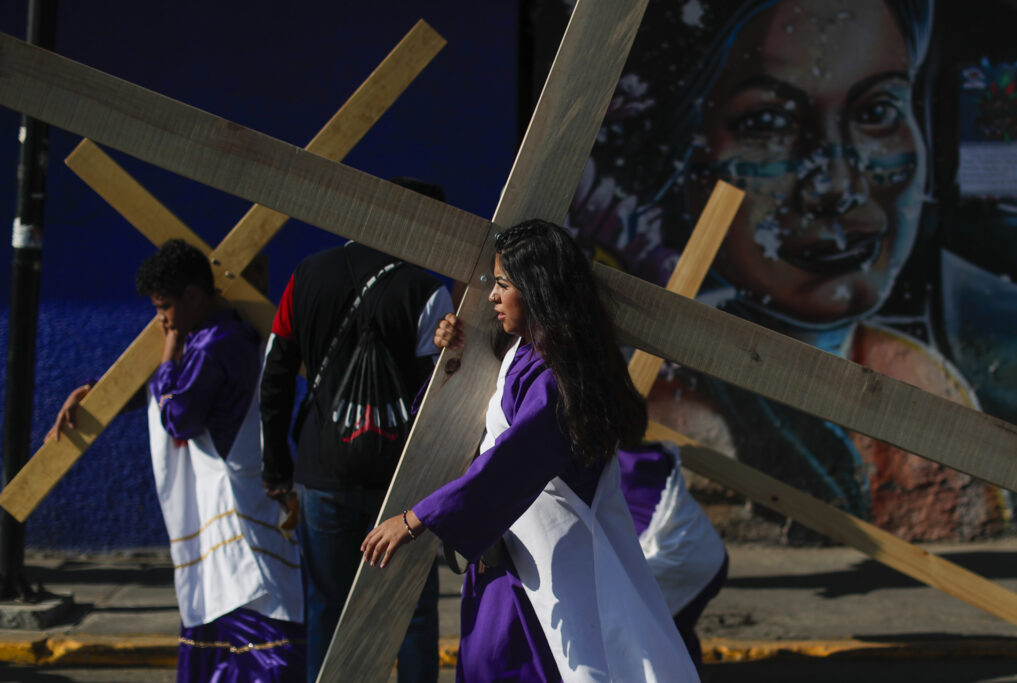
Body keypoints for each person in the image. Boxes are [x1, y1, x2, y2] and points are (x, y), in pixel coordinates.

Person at [568, 0, 1006, 540]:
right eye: (768, 123)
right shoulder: (675, 408)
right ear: (683, 155)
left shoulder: (919, 378)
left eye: (878, 111)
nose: (837, 185)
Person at [361, 220, 699, 682]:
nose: (492, 297)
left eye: (502, 285)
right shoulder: (522, 352)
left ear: (538, 288)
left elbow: (512, 461)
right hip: (514, 558)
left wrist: (417, 519)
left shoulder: (557, 375)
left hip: (549, 568)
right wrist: (455, 359)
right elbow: (469, 430)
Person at [47, 238, 305, 682]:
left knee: (251, 619)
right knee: (220, 624)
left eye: (164, 307)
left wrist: (168, 351)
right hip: (222, 509)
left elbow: (180, 415)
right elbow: (168, 393)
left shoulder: (214, 343)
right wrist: (97, 391)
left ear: (193, 295)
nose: (162, 320)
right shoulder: (211, 336)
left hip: (234, 512)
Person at [259, 177, 453, 683]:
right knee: (409, 609)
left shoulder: (307, 275)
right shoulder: (426, 291)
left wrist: (276, 466)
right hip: (403, 480)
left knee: (329, 605)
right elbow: (441, 394)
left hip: (324, 472)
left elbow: (275, 377)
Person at [618, 441, 728, 671]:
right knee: (675, 629)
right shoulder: (657, 455)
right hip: (712, 557)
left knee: (649, 637)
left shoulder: (612, 466)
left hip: (675, 566)